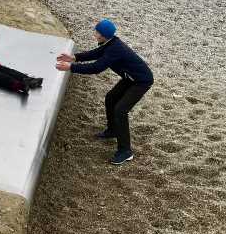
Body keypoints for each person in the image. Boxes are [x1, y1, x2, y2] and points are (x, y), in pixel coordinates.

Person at [56, 19, 153, 166]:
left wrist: (71, 67)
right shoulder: (110, 42)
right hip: (130, 78)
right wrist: (75, 58)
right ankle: (113, 130)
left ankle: (126, 151)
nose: (94, 33)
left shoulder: (115, 49)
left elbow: (96, 67)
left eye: (97, 32)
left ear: (103, 35)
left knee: (121, 110)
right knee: (111, 98)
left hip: (141, 81)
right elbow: (97, 53)